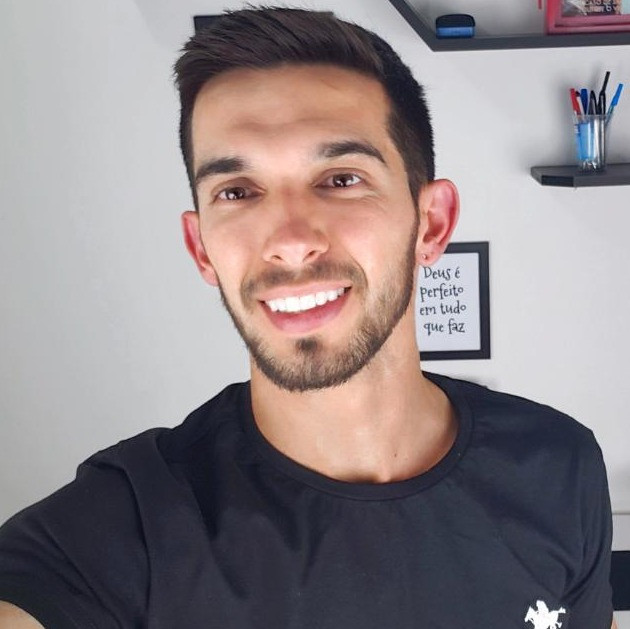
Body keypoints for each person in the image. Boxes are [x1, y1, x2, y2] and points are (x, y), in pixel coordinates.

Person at [0, 6, 615, 628]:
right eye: (236, 192)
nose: (291, 241)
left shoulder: (560, 467)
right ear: (201, 247)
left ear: (431, 224)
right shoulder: (126, 526)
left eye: (341, 179)